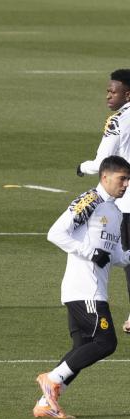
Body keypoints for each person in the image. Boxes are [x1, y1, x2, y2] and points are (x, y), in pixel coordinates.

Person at [35, 156, 130, 419]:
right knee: (106, 342)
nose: (126, 184)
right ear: (105, 177)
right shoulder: (90, 202)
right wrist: (89, 252)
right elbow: (55, 233)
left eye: (128, 179)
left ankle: (45, 404)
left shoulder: (114, 211)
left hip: (92, 290)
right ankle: (51, 378)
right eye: (122, 179)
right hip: (85, 290)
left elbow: (116, 257)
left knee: (81, 348)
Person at [76, 70, 130, 332]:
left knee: (127, 258)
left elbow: (102, 162)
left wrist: (81, 167)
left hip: (127, 202)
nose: (108, 94)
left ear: (127, 94)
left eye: (113, 90)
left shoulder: (118, 120)